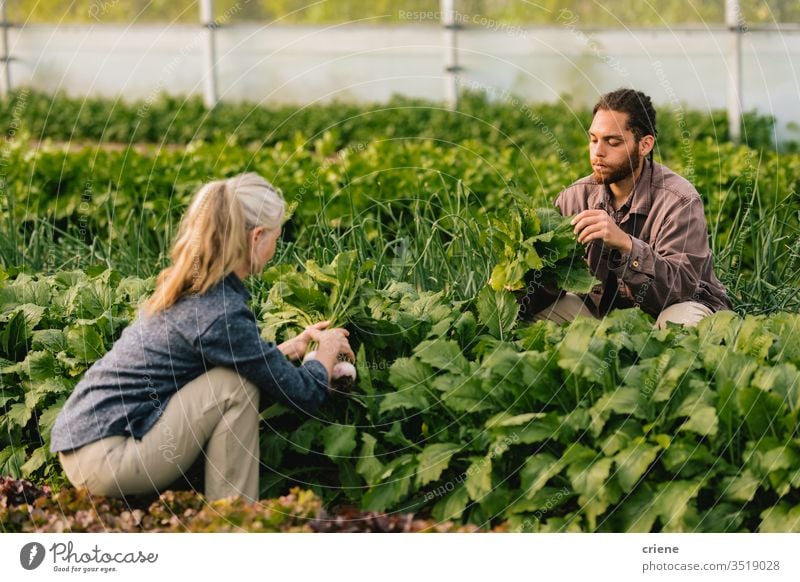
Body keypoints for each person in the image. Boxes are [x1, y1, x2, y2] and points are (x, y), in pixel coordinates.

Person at [50, 173, 354, 503]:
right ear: (256, 238)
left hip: (86, 444)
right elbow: (303, 394)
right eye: (275, 239)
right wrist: (325, 352)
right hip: (109, 458)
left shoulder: (196, 289)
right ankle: (233, 518)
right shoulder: (220, 312)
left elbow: (220, 361)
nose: (275, 249)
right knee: (234, 387)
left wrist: (289, 349)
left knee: (232, 379)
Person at [521, 88, 732, 329]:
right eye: (593, 139)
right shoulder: (573, 198)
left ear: (644, 145)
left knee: (680, 328)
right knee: (532, 320)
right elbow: (552, 279)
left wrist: (626, 246)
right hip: (601, 314)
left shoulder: (679, 201)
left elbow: (678, 290)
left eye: (613, 142)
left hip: (674, 307)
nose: (598, 152)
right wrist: (519, 283)